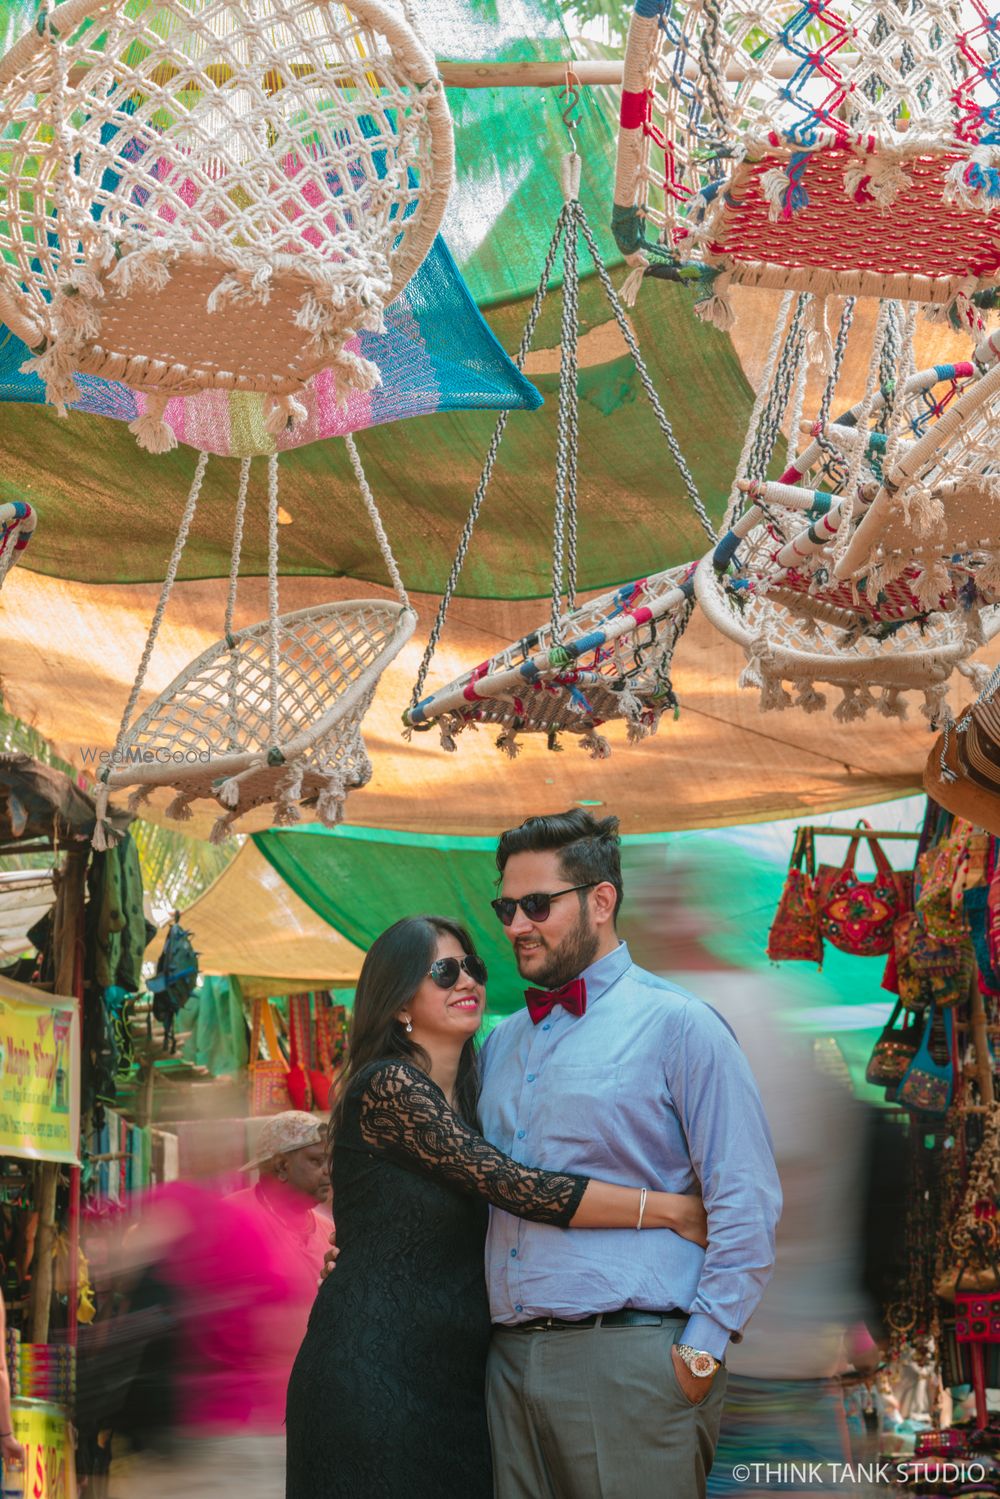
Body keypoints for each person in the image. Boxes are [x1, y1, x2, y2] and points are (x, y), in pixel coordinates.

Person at [285, 914, 710, 1499]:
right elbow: (518, 1187)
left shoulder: (475, 1098)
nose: (467, 980)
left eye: (473, 967)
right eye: (443, 970)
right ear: (398, 999)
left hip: (460, 1378)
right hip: (377, 1366)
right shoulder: (390, 1087)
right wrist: (671, 1210)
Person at [481, 810, 782, 1499]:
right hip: (505, 1366)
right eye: (507, 906)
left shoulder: (680, 1026)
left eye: (535, 904)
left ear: (601, 900)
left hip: (632, 1358)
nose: (516, 925)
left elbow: (747, 1199)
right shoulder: (501, 1043)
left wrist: (699, 1349)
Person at [228, 1111, 330, 1312]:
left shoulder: (329, 1232)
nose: (328, 1170)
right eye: (317, 1161)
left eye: (329, 1161)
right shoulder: (231, 1218)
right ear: (282, 1166)